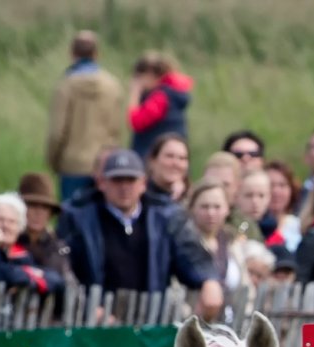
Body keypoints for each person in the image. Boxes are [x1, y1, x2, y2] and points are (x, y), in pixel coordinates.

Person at [59, 149, 223, 315]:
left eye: (130, 180)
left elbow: (190, 255)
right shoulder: (79, 219)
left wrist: (208, 280)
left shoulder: (164, 218)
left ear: (143, 183)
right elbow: (65, 269)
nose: (124, 187)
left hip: (151, 321)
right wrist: (87, 306)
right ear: (102, 183)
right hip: (98, 323)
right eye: (117, 180)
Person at [46, 30, 124, 204]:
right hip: (105, 164)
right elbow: (116, 129)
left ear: (72, 54)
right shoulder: (113, 86)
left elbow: (57, 132)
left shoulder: (66, 86)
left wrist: (53, 161)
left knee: (71, 217)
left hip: (72, 164)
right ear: (97, 54)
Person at [127, 52, 190, 154]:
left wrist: (135, 93)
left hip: (153, 156)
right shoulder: (172, 94)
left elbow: (136, 122)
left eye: (139, 77)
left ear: (150, 74)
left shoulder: (160, 98)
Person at [16, 172, 73, 283]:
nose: (38, 213)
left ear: (50, 213)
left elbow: (65, 282)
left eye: (45, 208)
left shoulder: (57, 247)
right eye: (32, 205)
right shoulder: (8, 242)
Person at [144, 132, 189, 206]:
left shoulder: (194, 200)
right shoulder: (138, 197)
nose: (176, 163)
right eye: (169, 156)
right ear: (153, 161)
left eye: (182, 158)